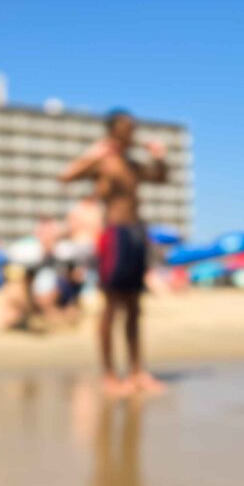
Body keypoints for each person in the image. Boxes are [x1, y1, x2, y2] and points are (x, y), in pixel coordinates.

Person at [60, 108, 168, 397]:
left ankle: (137, 371)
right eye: (126, 128)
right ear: (113, 131)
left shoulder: (132, 165)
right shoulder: (104, 162)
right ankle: (109, 374)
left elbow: (160, 178)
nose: (132, 132)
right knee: (112, 306)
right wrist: (94, 154)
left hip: (136, 234)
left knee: (135, 307)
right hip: (115, 235)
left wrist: (159, 156)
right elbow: (66, 176)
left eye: (133, 127)